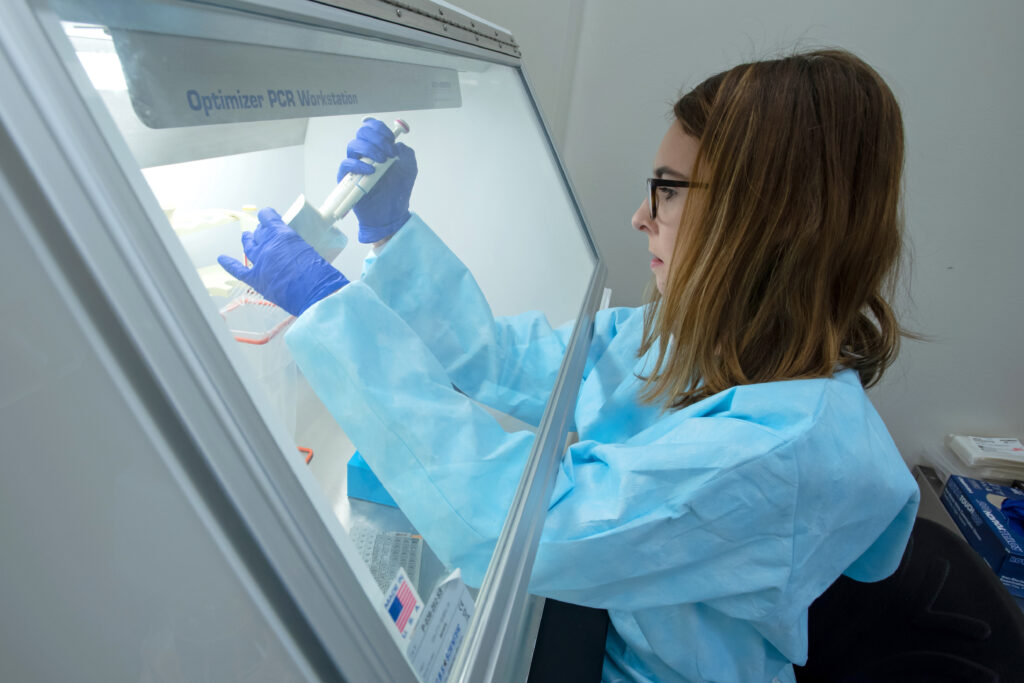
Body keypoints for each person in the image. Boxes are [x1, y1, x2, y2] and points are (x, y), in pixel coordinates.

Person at [218, 49, 920, 683]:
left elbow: (520, 529)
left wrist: (334, 315)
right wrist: (391, 235)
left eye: (668, 190)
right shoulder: (696, 339)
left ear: (763, 219)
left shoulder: (785, 452)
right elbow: (503, 360)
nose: (640, 217)